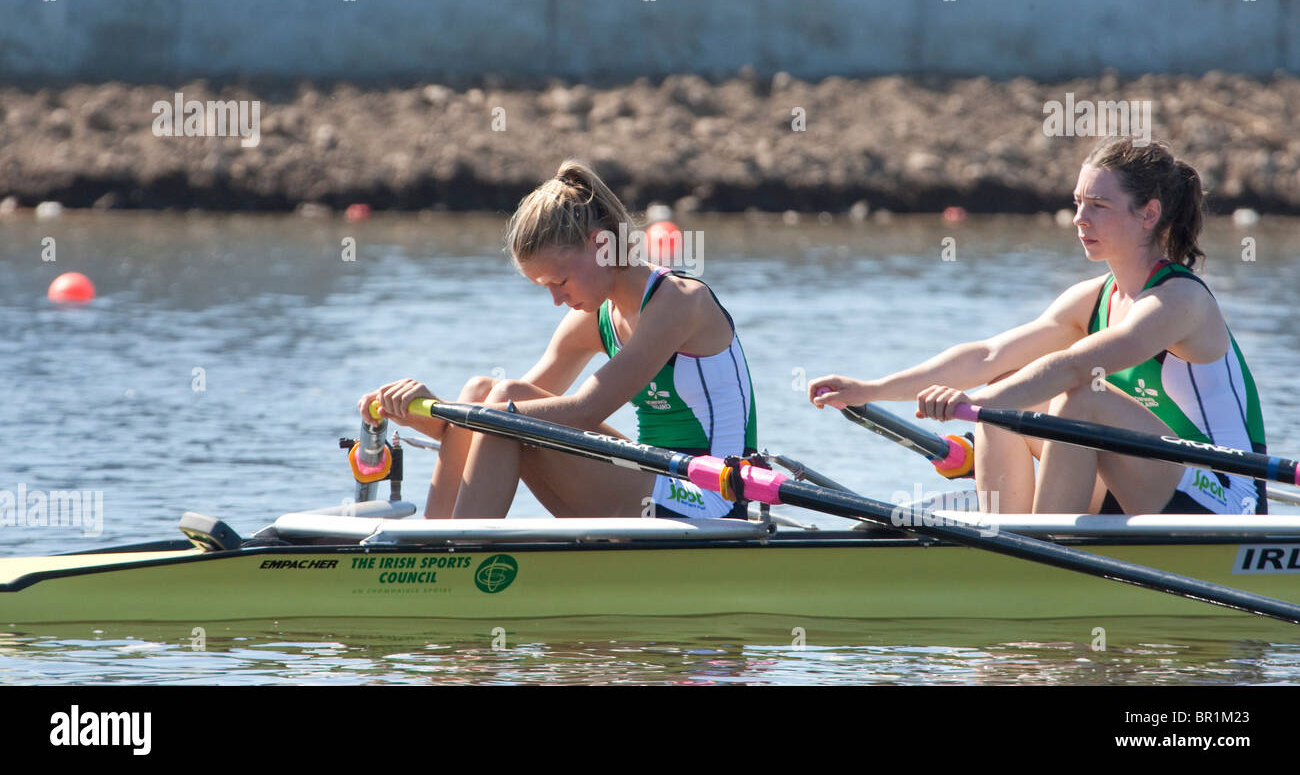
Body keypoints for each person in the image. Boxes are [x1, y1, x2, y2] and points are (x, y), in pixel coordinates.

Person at [809, 137, 1267, 516]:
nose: (1080, 219)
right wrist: (870, 389)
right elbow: (987, 355)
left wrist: (975, 404)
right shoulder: (1093, 298)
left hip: (1228, 499)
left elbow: (1074, 367)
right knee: (1007, 386)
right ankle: (1006, 541)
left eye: (1099, 205)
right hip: (1148, 482)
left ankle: (1043, 554)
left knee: (1079, 397)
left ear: (1148, 214)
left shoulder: (1180, 299)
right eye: (1078, 203)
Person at [359, 161, 758, 520]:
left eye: (560, 281)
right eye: (545, 287)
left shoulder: (680, 302)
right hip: (653, 476)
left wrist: (466, 415)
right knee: (484, 390)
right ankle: (432, 544)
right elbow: (489, 428)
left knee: (503, 403)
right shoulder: (593, 319)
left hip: (714, 494)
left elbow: (584, 410)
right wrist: (423, 412)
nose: (556, 300)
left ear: (602, 245)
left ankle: (457, 556)